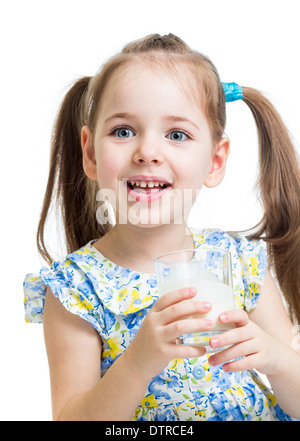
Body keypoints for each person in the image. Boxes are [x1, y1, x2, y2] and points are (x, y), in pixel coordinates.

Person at [23, 33, 300, 421]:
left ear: (215, 161)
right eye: (123, 131)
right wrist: (137, 362)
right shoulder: (76, 290)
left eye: (176, 135)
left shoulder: (239, 262)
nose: (148, 152)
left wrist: (276, 359)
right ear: (90, 153)